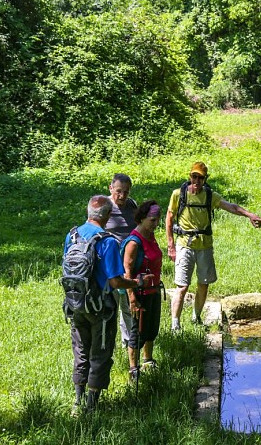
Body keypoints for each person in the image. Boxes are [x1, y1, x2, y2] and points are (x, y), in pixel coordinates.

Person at [64, 195, 142, 415]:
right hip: (101, 307)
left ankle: (77, 401)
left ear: (89, 212)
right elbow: (115, 281)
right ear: (108, 216)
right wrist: (134, 283)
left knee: (80, 350)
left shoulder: (72, 236)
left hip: (76, 303)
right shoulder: (107, 241)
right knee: (100, 352)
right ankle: (92, 405)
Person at [165, 161, 261, 331]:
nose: (196, 180)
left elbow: (231, 207)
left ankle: (196, 317)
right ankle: (175, 325)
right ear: (189, 177)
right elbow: (169, 219)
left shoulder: (210, 196)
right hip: (184, 245)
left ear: (205, 179)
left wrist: (249, 215)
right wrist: (171, 245)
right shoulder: (178, 194)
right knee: (182, 286)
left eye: (200, 177)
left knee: (204, 284)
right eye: (194, 176)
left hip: (205, 245)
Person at [121, 200, 164, 381]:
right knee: (136, 332)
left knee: (151, 329)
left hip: (153, 291)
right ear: (141, 219)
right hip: (138, 294)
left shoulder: (150, 236)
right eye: (152, 220)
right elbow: (126, 273)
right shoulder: (134, 242)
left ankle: (148, 360)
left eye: (158, 220)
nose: (156, 224)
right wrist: (132, 298)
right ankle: (133, 369)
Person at [105, 173, 138, 349]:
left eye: (126, 192)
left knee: (127, 303)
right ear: (111, 188)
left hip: (129, 262)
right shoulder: (104, 206)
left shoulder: (132, 205)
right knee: (110, 304)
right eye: (118, 191)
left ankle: (128, 342)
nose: (122, 196)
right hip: (110, 262)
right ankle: (108, 343)